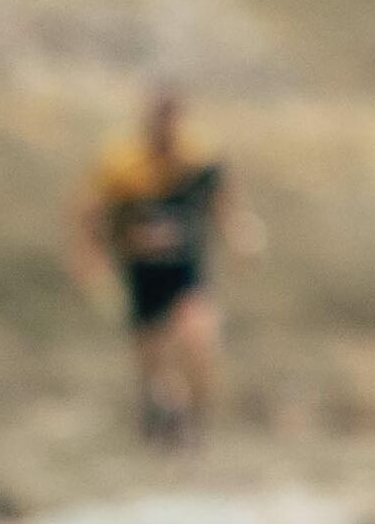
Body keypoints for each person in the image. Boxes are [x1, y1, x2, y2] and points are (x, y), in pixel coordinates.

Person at [68, 88, 249, 448]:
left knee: (199, 338)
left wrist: (240, 235)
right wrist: (91, 259)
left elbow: (223, 201)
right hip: (142, 271)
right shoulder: (122, 161)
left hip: (185, 269)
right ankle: (157, 412)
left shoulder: (199, 155)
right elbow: (91, 214)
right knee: (152, 359)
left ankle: (194, 423)